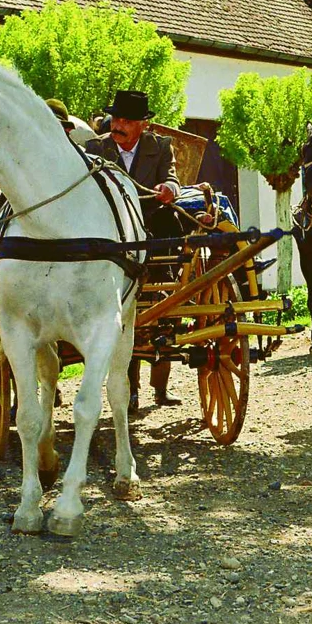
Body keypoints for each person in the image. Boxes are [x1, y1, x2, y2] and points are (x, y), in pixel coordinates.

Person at [85, 90, 181, 410]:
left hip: (153, 230)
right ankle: (131, 389)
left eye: (127, 120)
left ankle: (161, 387)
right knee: (123, 317)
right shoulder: (96, 149)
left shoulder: (161, 147)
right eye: (116, 118)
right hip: (112, 238)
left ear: (142, 124)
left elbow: (171, 178)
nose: (119, 125)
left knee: (163, 308)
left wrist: (171, 189)